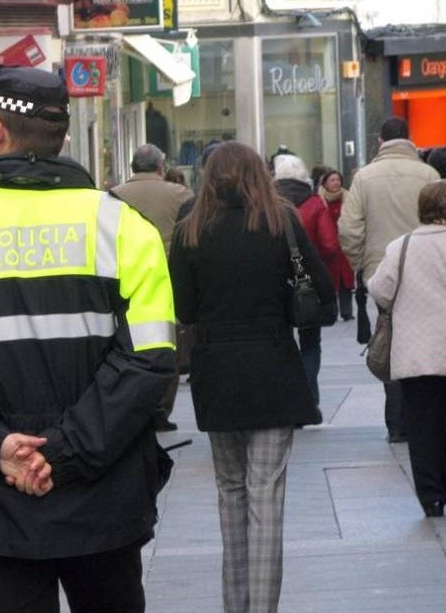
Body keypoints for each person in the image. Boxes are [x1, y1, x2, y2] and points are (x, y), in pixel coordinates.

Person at [0, 65, 177, 613]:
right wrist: (63, 453)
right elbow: (150, 361)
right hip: (105, 497)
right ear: (62, 135)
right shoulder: (122, 227)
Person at [169, 141, 333, 613]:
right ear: (258, 174)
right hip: (272, 367)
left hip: (217, 372)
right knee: (267, 494)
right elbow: (320, 293)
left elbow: (184, 309)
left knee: (231, 493)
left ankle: (234, 605)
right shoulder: (280, 224)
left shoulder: (190, 232)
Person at [367, 179, 446, 517]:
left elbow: (381, 289)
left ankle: (432, 496)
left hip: (416, 353)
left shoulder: (403, 246)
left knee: (424, 427)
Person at [338, 116, 439, 444]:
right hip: (425, 270)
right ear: (409, 139)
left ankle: (396, 423)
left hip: (380, 273)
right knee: (423, 344)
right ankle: (422, 417)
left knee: (388, 343)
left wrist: (362, 265)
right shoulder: (428, 174)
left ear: (380, 141)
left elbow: (349, 228)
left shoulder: (364, 178)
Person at [113, 142, 193, 431]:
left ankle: (132, 407)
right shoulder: (181, 194)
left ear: (133, 167)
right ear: (161, 167)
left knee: (125, 345)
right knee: (164, 344)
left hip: (123, 278)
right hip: (167, 277)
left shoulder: (113, 196)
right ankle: (161, 408)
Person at [273, 154, 339, 407]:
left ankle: (288, 398)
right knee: (311, 343)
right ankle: (309, 398)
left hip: (277, 283)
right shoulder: (315, 204)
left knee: (283, 342)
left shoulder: (268, 205)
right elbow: (330, 245)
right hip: (308, 283)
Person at [317, 168, 355, 320]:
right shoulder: (319, 200)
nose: (336, 183)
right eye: (332, 180)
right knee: (329, 280)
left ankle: (347, 312)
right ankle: (331, 311)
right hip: (327, 246)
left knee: (345, 280)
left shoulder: (348, 198)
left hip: (344, 245)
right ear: (325, 183)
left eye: (338, 180)